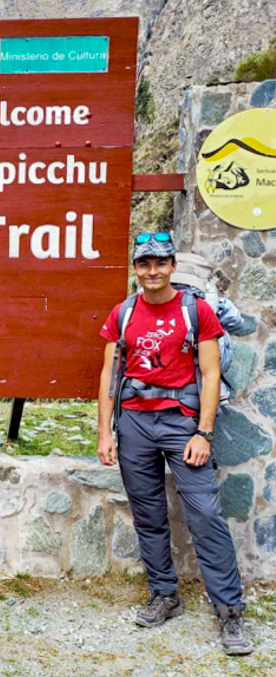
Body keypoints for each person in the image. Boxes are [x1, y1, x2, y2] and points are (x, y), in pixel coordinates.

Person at [96, 232, 252, 655]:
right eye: (144, 264)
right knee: (148, 514)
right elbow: (110, 375)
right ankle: (164, 594)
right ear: (135, 269)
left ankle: (230, 612)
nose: (152, 271)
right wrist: (105, 432)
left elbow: (211, 373)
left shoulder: (195, 311)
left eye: (160, 263)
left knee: (204, 514)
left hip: (182, 424)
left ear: (170, 266)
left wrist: (203, 432)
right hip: (135, 426)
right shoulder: (123, 314)